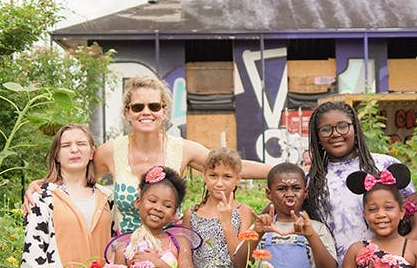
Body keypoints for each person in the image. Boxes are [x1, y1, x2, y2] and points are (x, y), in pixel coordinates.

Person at [25, 75, 269, 232]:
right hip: (123, 255)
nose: (146, 112)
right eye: (138, 106)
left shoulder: (182, 149)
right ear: (127, 113)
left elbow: (232, 168)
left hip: (170, 252)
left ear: (164, 112)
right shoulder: (111, 151)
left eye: (154, 106)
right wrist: (42, 184)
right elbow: (77, 179)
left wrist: (283, 171)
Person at [305, 100, 417, 263]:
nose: (335, 134)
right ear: (317, 137)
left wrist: (401, 252)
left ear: (355, 129)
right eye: (326, 129)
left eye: (343, 126)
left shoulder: (384, 165)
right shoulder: (312, 179)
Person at [20, 124, 112, 268]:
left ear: (91, 153)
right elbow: (33, 253)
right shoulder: (42, 198)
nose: (74, 150)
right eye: (66, 145)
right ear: (57, 156)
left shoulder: (107, 198)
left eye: (81, 144)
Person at [184, 147, 257, 268]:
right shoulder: (192, 214)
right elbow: (186, 258)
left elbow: (241, 262)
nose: (219, 183)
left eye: (227, 177)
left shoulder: (243, 211)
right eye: (213, 175)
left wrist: (227, 223)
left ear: (238, 179)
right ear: (204, 176)